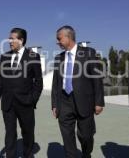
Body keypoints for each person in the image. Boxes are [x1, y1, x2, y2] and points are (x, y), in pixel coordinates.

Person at [51, 25, 104, 158]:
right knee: (67, 137)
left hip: (84, 101)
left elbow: (97, 79)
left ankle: (86, 154)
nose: (57, 41)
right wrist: (54, 104)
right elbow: (56, 83)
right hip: (64, 102)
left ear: (69, 37)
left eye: (59, 38)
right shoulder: (59, 58)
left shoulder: (89, 53)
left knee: (86, 136)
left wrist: (99, 102)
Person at [0, 27, 43, 158]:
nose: (9, 41)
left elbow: (38, 81)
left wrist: (33, 99)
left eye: (12, 38)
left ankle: (28, 155)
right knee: (10, 133)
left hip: (26, 102)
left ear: (21, 40)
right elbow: (0, 80)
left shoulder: (33, 56)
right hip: (8, 103)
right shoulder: (4, 57)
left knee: (27, 132)